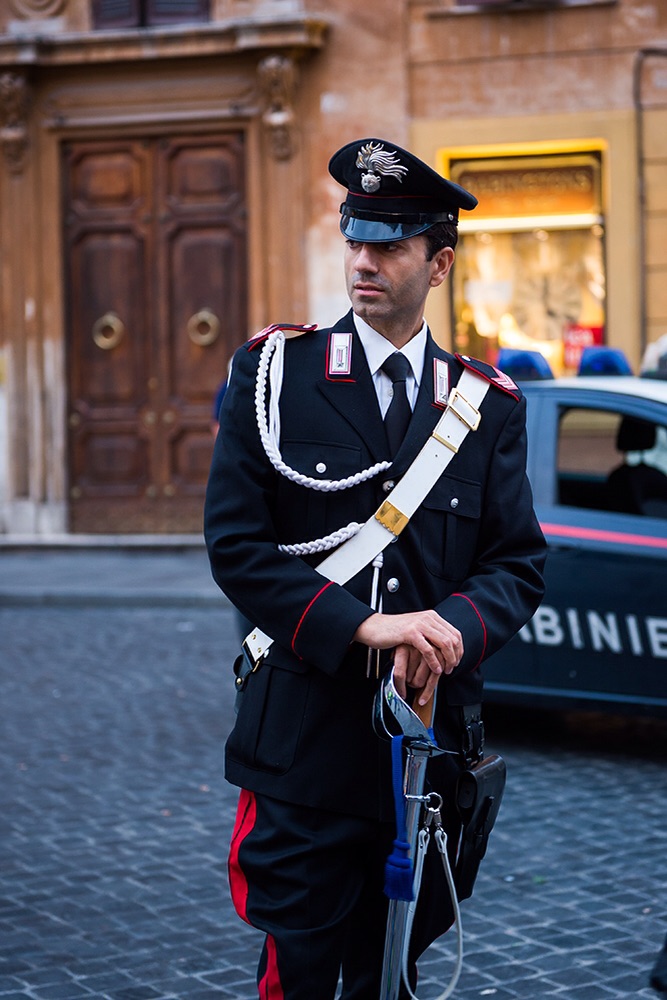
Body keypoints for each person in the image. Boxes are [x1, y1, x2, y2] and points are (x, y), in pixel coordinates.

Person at [204, 137, 547, 999]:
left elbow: (515, 562)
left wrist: (447, 633)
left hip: (428, 756)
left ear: (438, 264)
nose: (364, 260)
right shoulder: (275, 375)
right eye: (355, 238)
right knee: (301, 971)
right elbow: (237, 548)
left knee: (391, 974)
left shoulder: (484, 405)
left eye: (389, 244)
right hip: (305, 745)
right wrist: (363, 625)